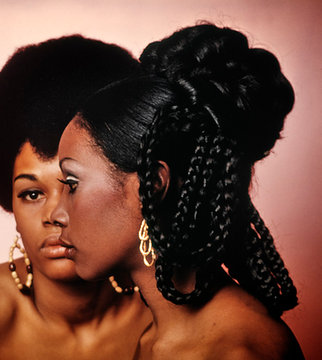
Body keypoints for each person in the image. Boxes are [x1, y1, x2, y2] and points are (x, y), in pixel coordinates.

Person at [53, 24, 304, 359]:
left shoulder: (239, 352)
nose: (56, 214)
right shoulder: (154, 337)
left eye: (72, 184)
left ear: (150, 186)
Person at [0, 35, 152, 360]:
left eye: (73, 186)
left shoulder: (162, 319)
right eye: (31, 193)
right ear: (9, 201)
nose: (56, 214)